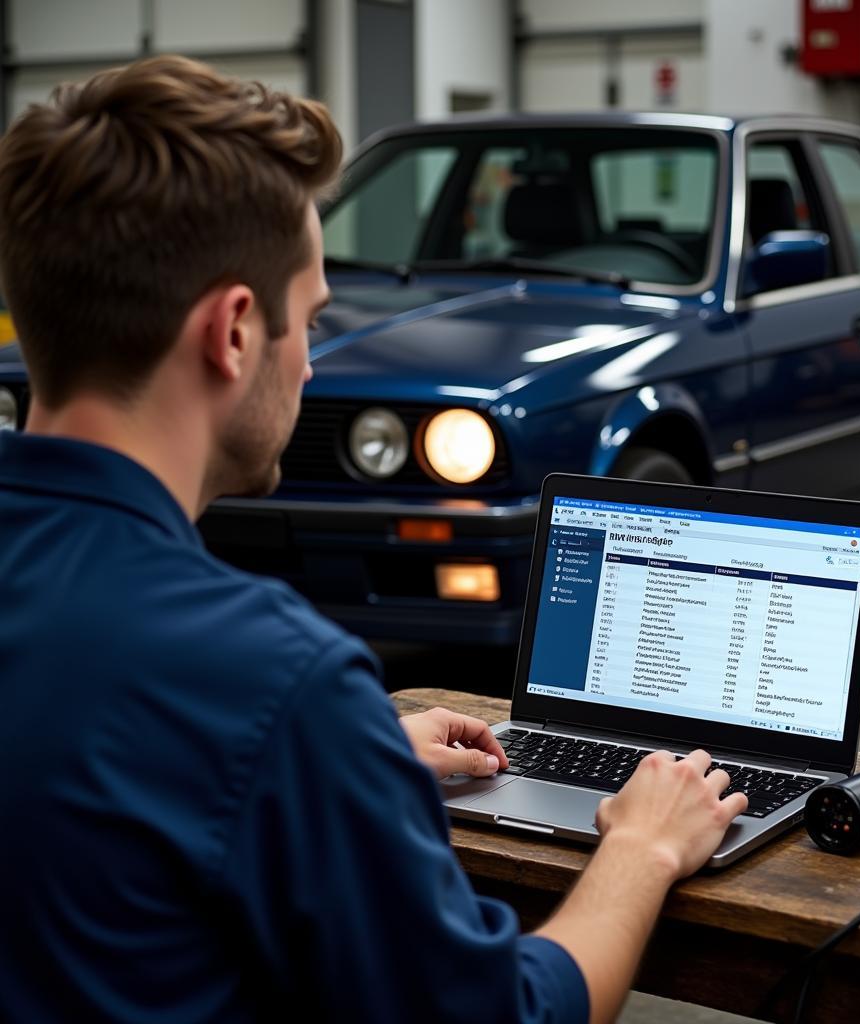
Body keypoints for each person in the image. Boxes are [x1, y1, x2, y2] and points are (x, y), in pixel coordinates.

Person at [0, 57, 747, 1024]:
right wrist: (643, 848)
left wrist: (348, 762)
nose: (311, 360)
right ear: (233, 333)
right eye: (308, 319)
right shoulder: (275, 680)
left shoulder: (273, 712)